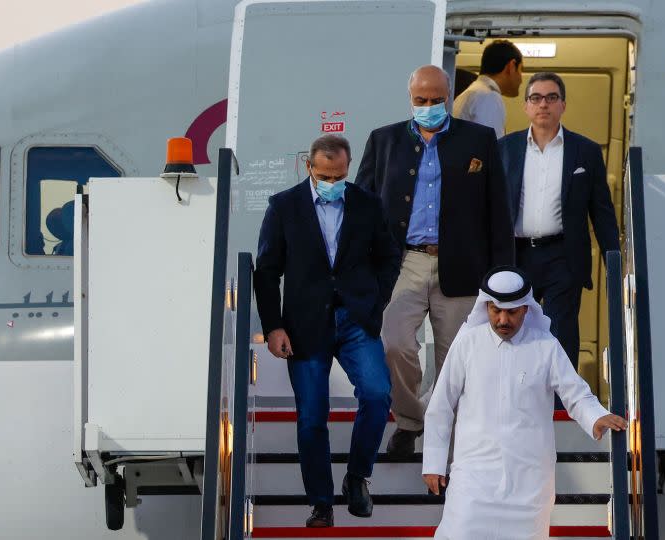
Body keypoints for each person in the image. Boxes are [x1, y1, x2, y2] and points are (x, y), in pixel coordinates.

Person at [355, 65, 514, 460]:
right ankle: (410, 421)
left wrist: (503, 277)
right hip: (403, 263)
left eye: (435, 100)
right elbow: (362, 207)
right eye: (419, 101)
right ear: (410, 99)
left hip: (461, 264)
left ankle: (446, 445)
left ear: (448, 97)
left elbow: (498, 210)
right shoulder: (384, 140)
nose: (427, 107)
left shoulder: (479, 139)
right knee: (393, 344)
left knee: (455, 358)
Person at [254, 134, 401, 528]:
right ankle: (321, 502)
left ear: (348, 168)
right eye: (324, 175)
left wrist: (375, 301)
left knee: (376, 393)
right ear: (309, 167)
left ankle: (357, 477)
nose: (332, 182)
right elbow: (266, 271)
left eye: (338, 175)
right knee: (311, 417)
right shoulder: (284, 206)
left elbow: (388, 257)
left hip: (356, 319)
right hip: (304, 325)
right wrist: (273, 327)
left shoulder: (368, 204)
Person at [422, 267, 627, 540]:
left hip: (529, 483)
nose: (503, 319)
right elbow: (441, 404)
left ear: (526, 310)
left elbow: (576, 394)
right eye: (496, 310)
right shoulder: (468, 342)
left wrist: (596, 416)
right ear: (486, 306)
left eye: (512, 312)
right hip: (474, 476)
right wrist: (434, 463)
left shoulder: (545, 345)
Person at [497, 72, 620, 371]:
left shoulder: (585, 151)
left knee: (560, 333)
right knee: (511, 329)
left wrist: (614, 262)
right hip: (516, 255)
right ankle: (516, 399)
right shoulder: (505, 149)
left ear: (563, 105)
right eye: (536, 98)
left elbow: (601, 211)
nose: (543, 105)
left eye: (551, 98)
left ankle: (560, 407)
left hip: (563, 256)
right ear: (526, 106)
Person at [452, 39, 524, 137]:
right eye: (520, 70)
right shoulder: (488, 97)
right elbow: (491, 147)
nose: (521, 79)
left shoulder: (472, 93)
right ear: (511, 66)